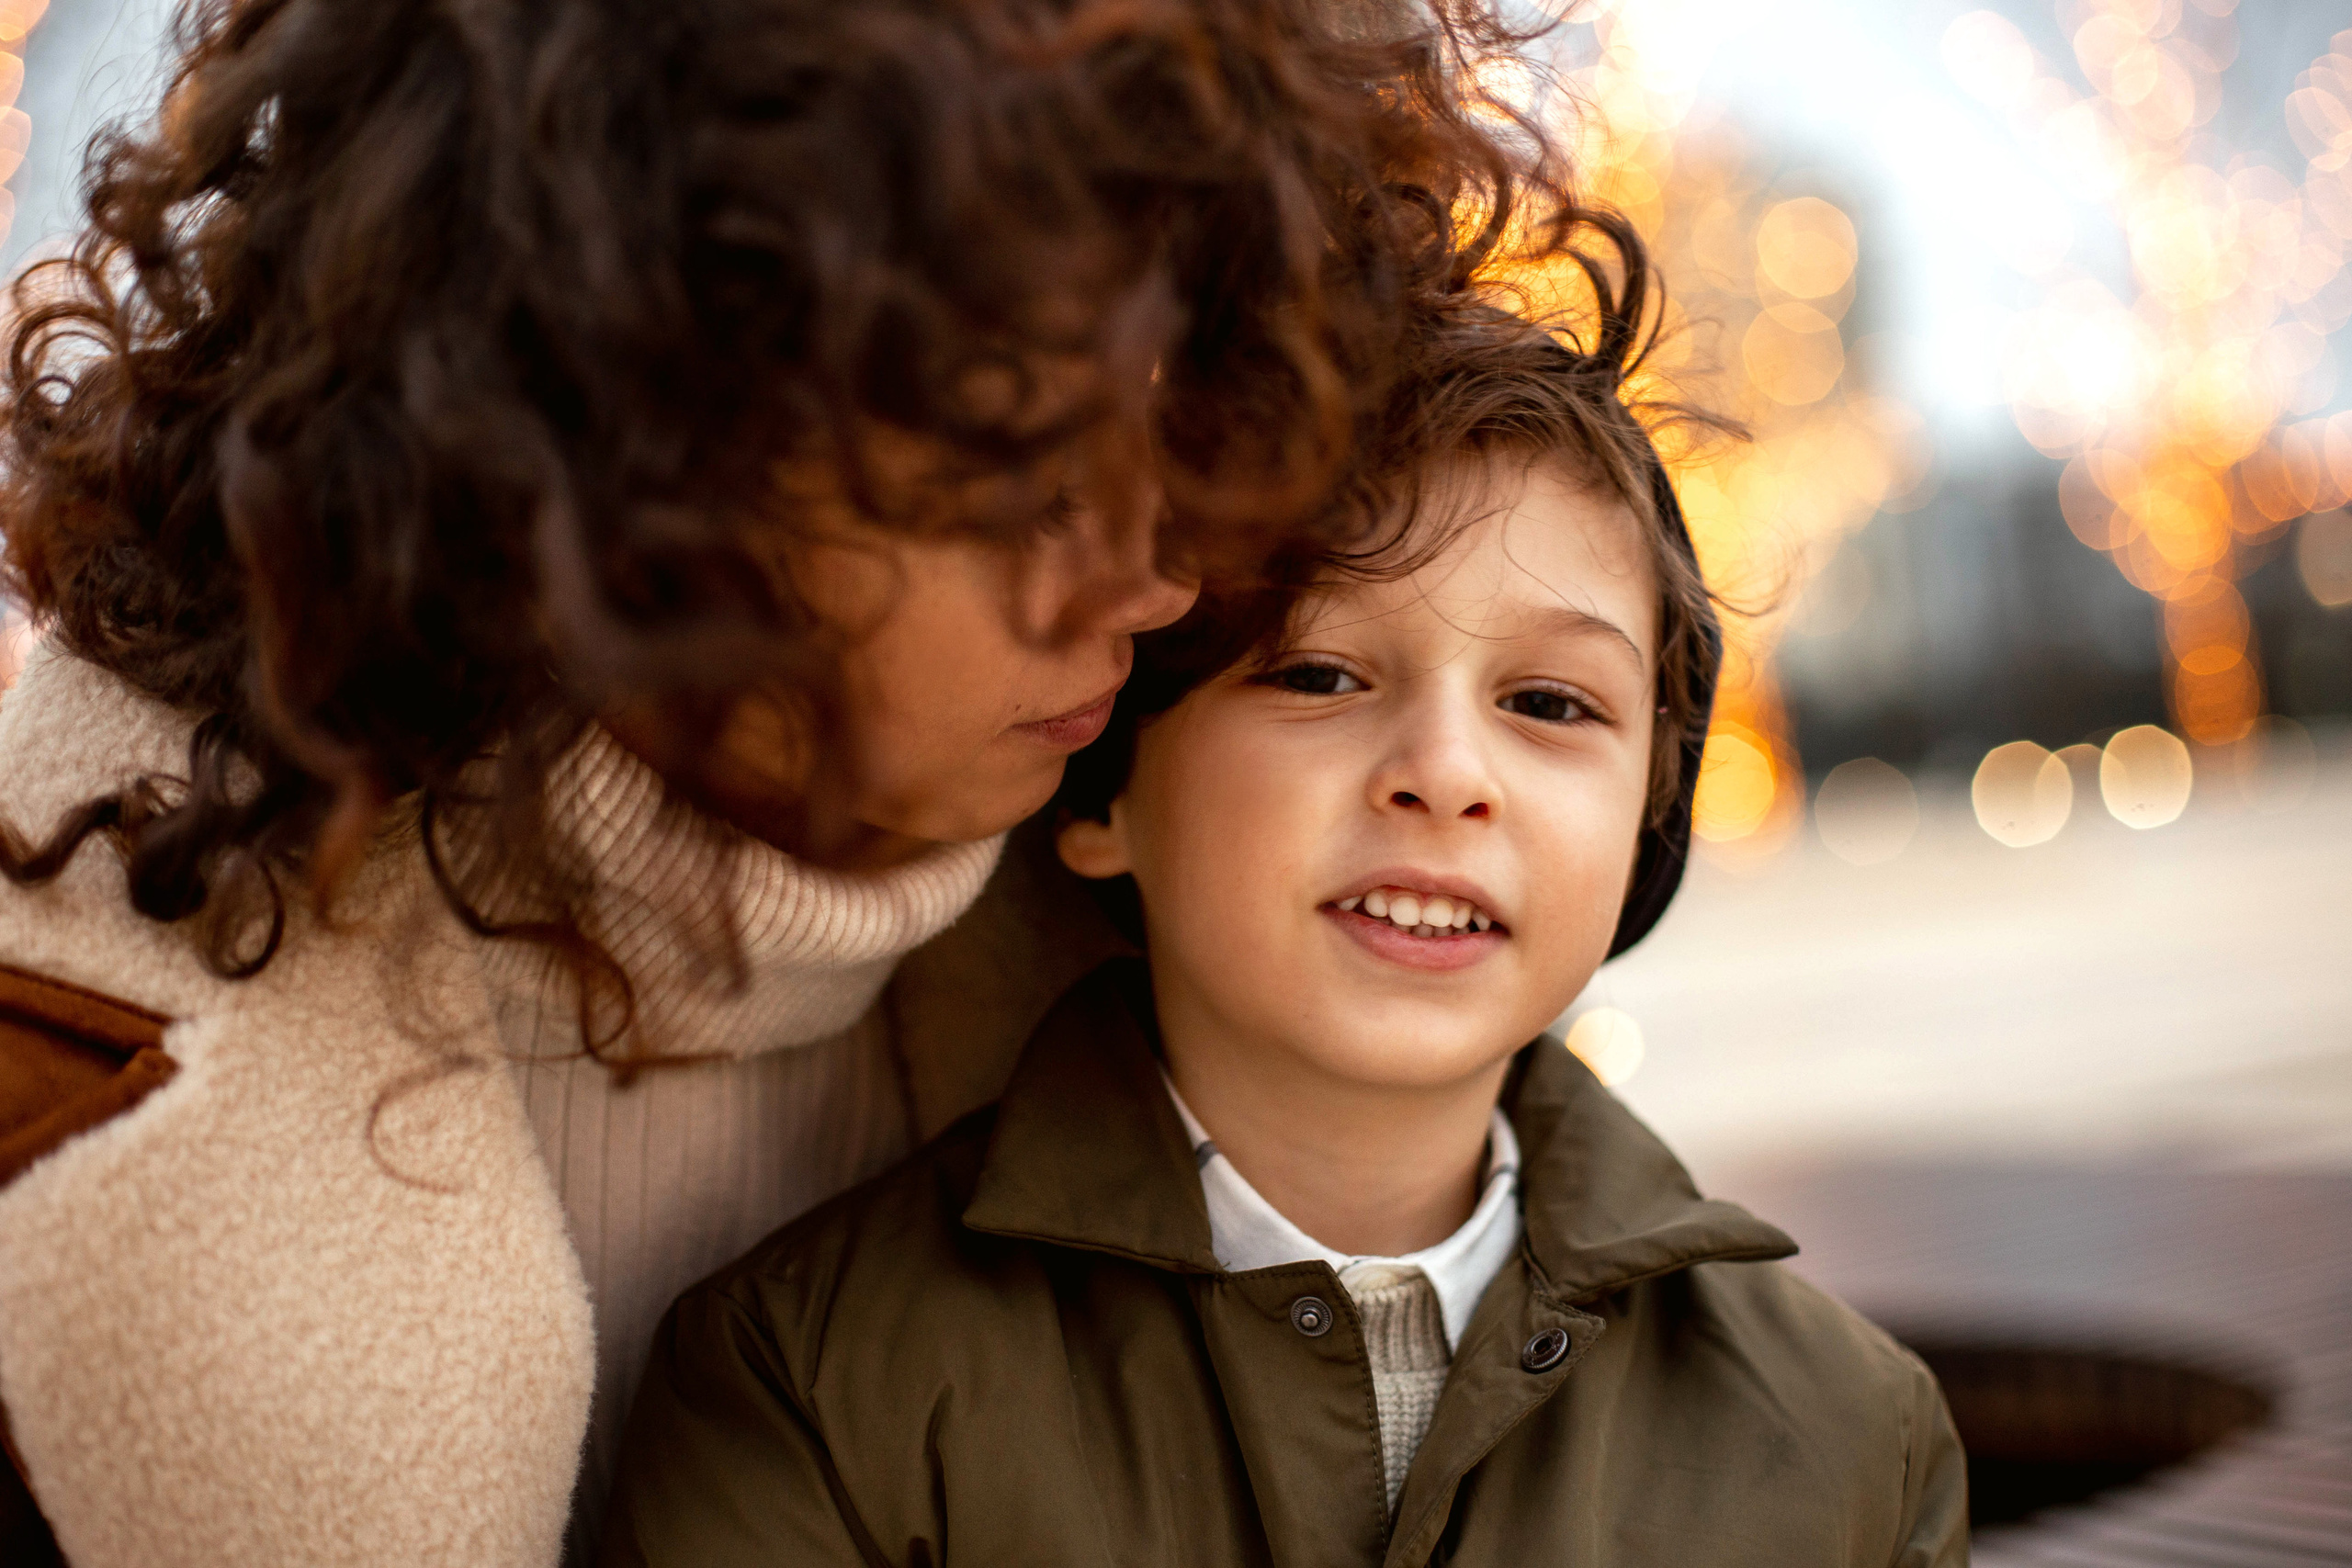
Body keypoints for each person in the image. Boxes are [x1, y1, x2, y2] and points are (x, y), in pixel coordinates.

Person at [0, 1, 1576, 1562]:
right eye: (1017, 473)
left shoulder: (1222, 954)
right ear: (602, 436)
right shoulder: (65, 1116)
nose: (1154, 575)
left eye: (1183, 420)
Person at [598, 298, 1973, 1567]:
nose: (1446, 770)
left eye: (1552, 704)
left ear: (1645, 827)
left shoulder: (1853, 1438)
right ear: (1105, 797)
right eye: (1318, 673)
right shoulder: (813, 1385)